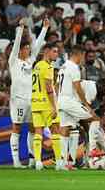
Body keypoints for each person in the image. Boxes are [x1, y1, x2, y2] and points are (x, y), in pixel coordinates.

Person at [8, 18, 49, 168]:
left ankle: (32, 158)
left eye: (28, 48)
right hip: (18, 99)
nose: (28, 50)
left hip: (32, 99)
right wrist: (20, 28)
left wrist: (45, 28)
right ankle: (16, 160)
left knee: (33, 127)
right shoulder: (13, 61)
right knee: (17, 127)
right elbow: (16, 45)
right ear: (20, 50)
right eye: (25, 48)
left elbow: (37, 46)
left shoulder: (31, 61)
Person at [57, 45, 97, 170]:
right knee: (94, 118)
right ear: (78, 54)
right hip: (69, 101)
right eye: (83, 55)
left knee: (65, 128)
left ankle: (63, 162)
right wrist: (86, 104)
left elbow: (57, 84)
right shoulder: (74, 67)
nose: (83, 58)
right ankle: (93, 150)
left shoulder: (63, 67)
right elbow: (78, 87)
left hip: (61, 100)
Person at [31, 42, 61, 171]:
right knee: (55, 130)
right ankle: (59, 161)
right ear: (47, 51)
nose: (56, 54)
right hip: (46, 103)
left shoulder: (37, 65)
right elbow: (49, 88)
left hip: (35, 102)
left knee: (38, 132)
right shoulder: (47, 67)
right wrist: (54, 106)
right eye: (54, 51)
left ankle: (38, 161)